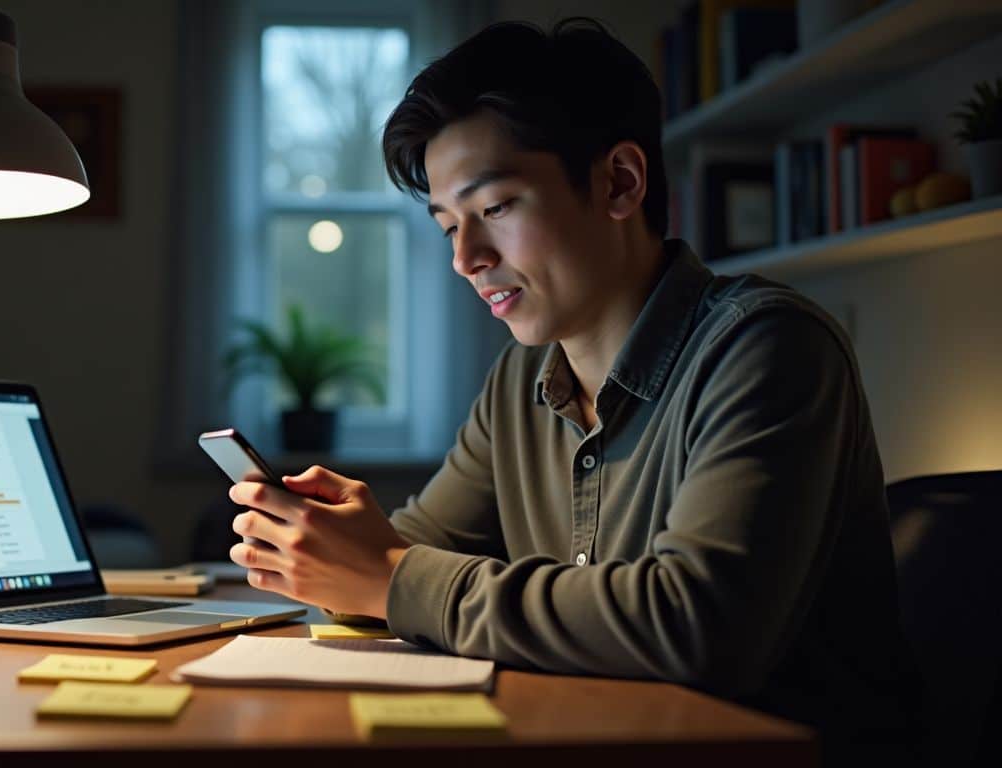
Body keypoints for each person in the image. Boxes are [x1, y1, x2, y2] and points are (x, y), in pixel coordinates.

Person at [226, 18, 918, 763]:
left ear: (620, 181)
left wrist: (388, 575)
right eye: (447, 225)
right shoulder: (521, 379)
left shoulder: (768, 348)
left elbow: (697, 628)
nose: (466, 258)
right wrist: (330, 555)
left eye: (494, 209)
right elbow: (408, 555)